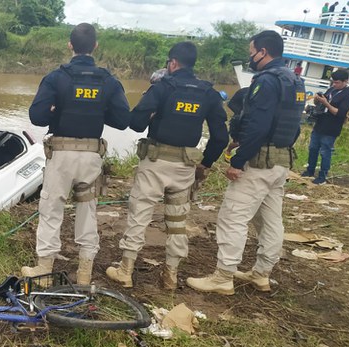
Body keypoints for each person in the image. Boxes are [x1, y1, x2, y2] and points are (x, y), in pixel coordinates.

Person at [186, 30, 305, 295]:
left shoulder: (267, 81)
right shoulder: (295, 81)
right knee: (270, 220)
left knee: (233, 217)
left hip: (260, 162)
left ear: (263, 52)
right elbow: (293, 127)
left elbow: (258, 125)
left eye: (252, 51)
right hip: (281, 160)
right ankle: (261, 273)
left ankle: (223, 276)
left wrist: (238, 160)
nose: (250, 56)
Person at [104, 42, 228, 290]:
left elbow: (136, 124)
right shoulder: (208, 93)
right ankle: (170, 275)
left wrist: (150, 110)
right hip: (185, 167)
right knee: (177, 221)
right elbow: (221, 137)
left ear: (172, 63)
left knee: (140, 215)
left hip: (155, 162)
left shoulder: (162, 88)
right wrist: (205, 163)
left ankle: (125, 270)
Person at [20, 23, 131, 285]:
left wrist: (57, 110)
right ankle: (84, 273)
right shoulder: (108, 81)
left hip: (61, 156)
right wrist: (97, 108)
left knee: (51, 208)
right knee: (87, 210)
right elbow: (123, 120)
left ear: (70, 45)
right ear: (95, 46)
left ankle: (44, 271)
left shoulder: (57, 78)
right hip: (91, 156)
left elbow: (36, 116)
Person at [300, 69, 349, 184]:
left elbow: (339, 113)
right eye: (333, 82)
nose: (334, 84)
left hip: (331, 128)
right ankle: (310, 170)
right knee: (313, 148)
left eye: (337, 82)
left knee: (325, 151)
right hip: (320, 123)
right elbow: (319, 104)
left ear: (345, 81)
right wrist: (317, 99)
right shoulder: (331, 90)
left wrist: (326, 103)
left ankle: (322, 176)